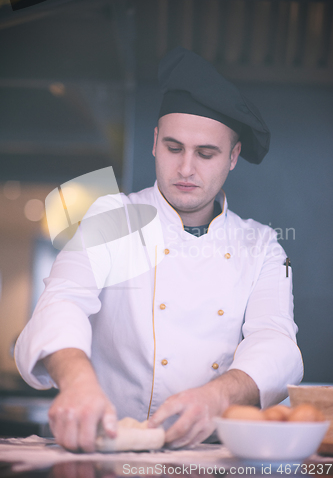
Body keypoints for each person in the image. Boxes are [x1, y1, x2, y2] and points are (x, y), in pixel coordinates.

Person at [15, 47, 303, 452]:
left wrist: (217, 396)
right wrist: (78, 381)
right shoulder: (111, 215)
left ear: (234, 157)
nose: (186, 169)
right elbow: (63, 300)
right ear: (153, 142)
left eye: (206, 154)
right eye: (173, 148)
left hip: (211, 454)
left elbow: (276, 341)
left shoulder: (263, 246)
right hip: (104, 445)